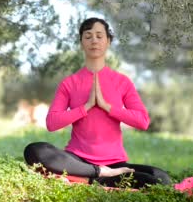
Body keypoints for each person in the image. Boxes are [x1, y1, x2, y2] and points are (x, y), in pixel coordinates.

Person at [23, 17, 171, 189]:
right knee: (35, 150)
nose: (94, 40)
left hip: (115, 166)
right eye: (88, 36)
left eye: (99, 36)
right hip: (77, 161)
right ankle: (98, 174)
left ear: (108, 41)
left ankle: (92, 178)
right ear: (81, 42)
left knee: (161, 178)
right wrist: (85, 107)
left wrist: (107, 107)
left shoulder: (122, 82)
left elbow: (142, 121)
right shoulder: (69, 83)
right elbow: (52, 123)